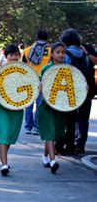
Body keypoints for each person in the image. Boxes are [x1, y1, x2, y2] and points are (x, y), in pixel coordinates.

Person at [57, 29, 96, 154]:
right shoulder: (84, 53)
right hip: (84, 89)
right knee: (83, 118)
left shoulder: (66, 53)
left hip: (69, 90)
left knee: (68, 118)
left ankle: (63, 144)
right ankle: (79, 144)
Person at [37, 42, 68, 174]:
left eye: (63, 52)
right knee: (50, 132)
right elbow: (41, 86)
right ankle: (53, 160)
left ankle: (45, 155)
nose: (61, 54)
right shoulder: (46, 69)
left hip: (60, 108)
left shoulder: (68, 70)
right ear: (52, 54)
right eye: (58, 52)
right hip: (47, 107)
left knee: (54, 133)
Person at [0, 45, 23, 176]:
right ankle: (4, 164)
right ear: (6, 57)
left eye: (16, 55)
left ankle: (1, 156)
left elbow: (30, 87)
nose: (14, 57)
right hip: (1, 108)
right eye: (11, 55)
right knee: (3, 134)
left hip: (17, 108)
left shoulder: (24, 72)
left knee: (10, 136)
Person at [22, 30, 51, 135]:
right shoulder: (51, 51)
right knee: (39, 104)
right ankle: (36, 127)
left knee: (28, 104)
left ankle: (27, 127)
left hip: (30, 79)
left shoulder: (27, 50)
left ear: (36, 37)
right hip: (42, 79)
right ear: (47, 38)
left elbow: (23, 66)